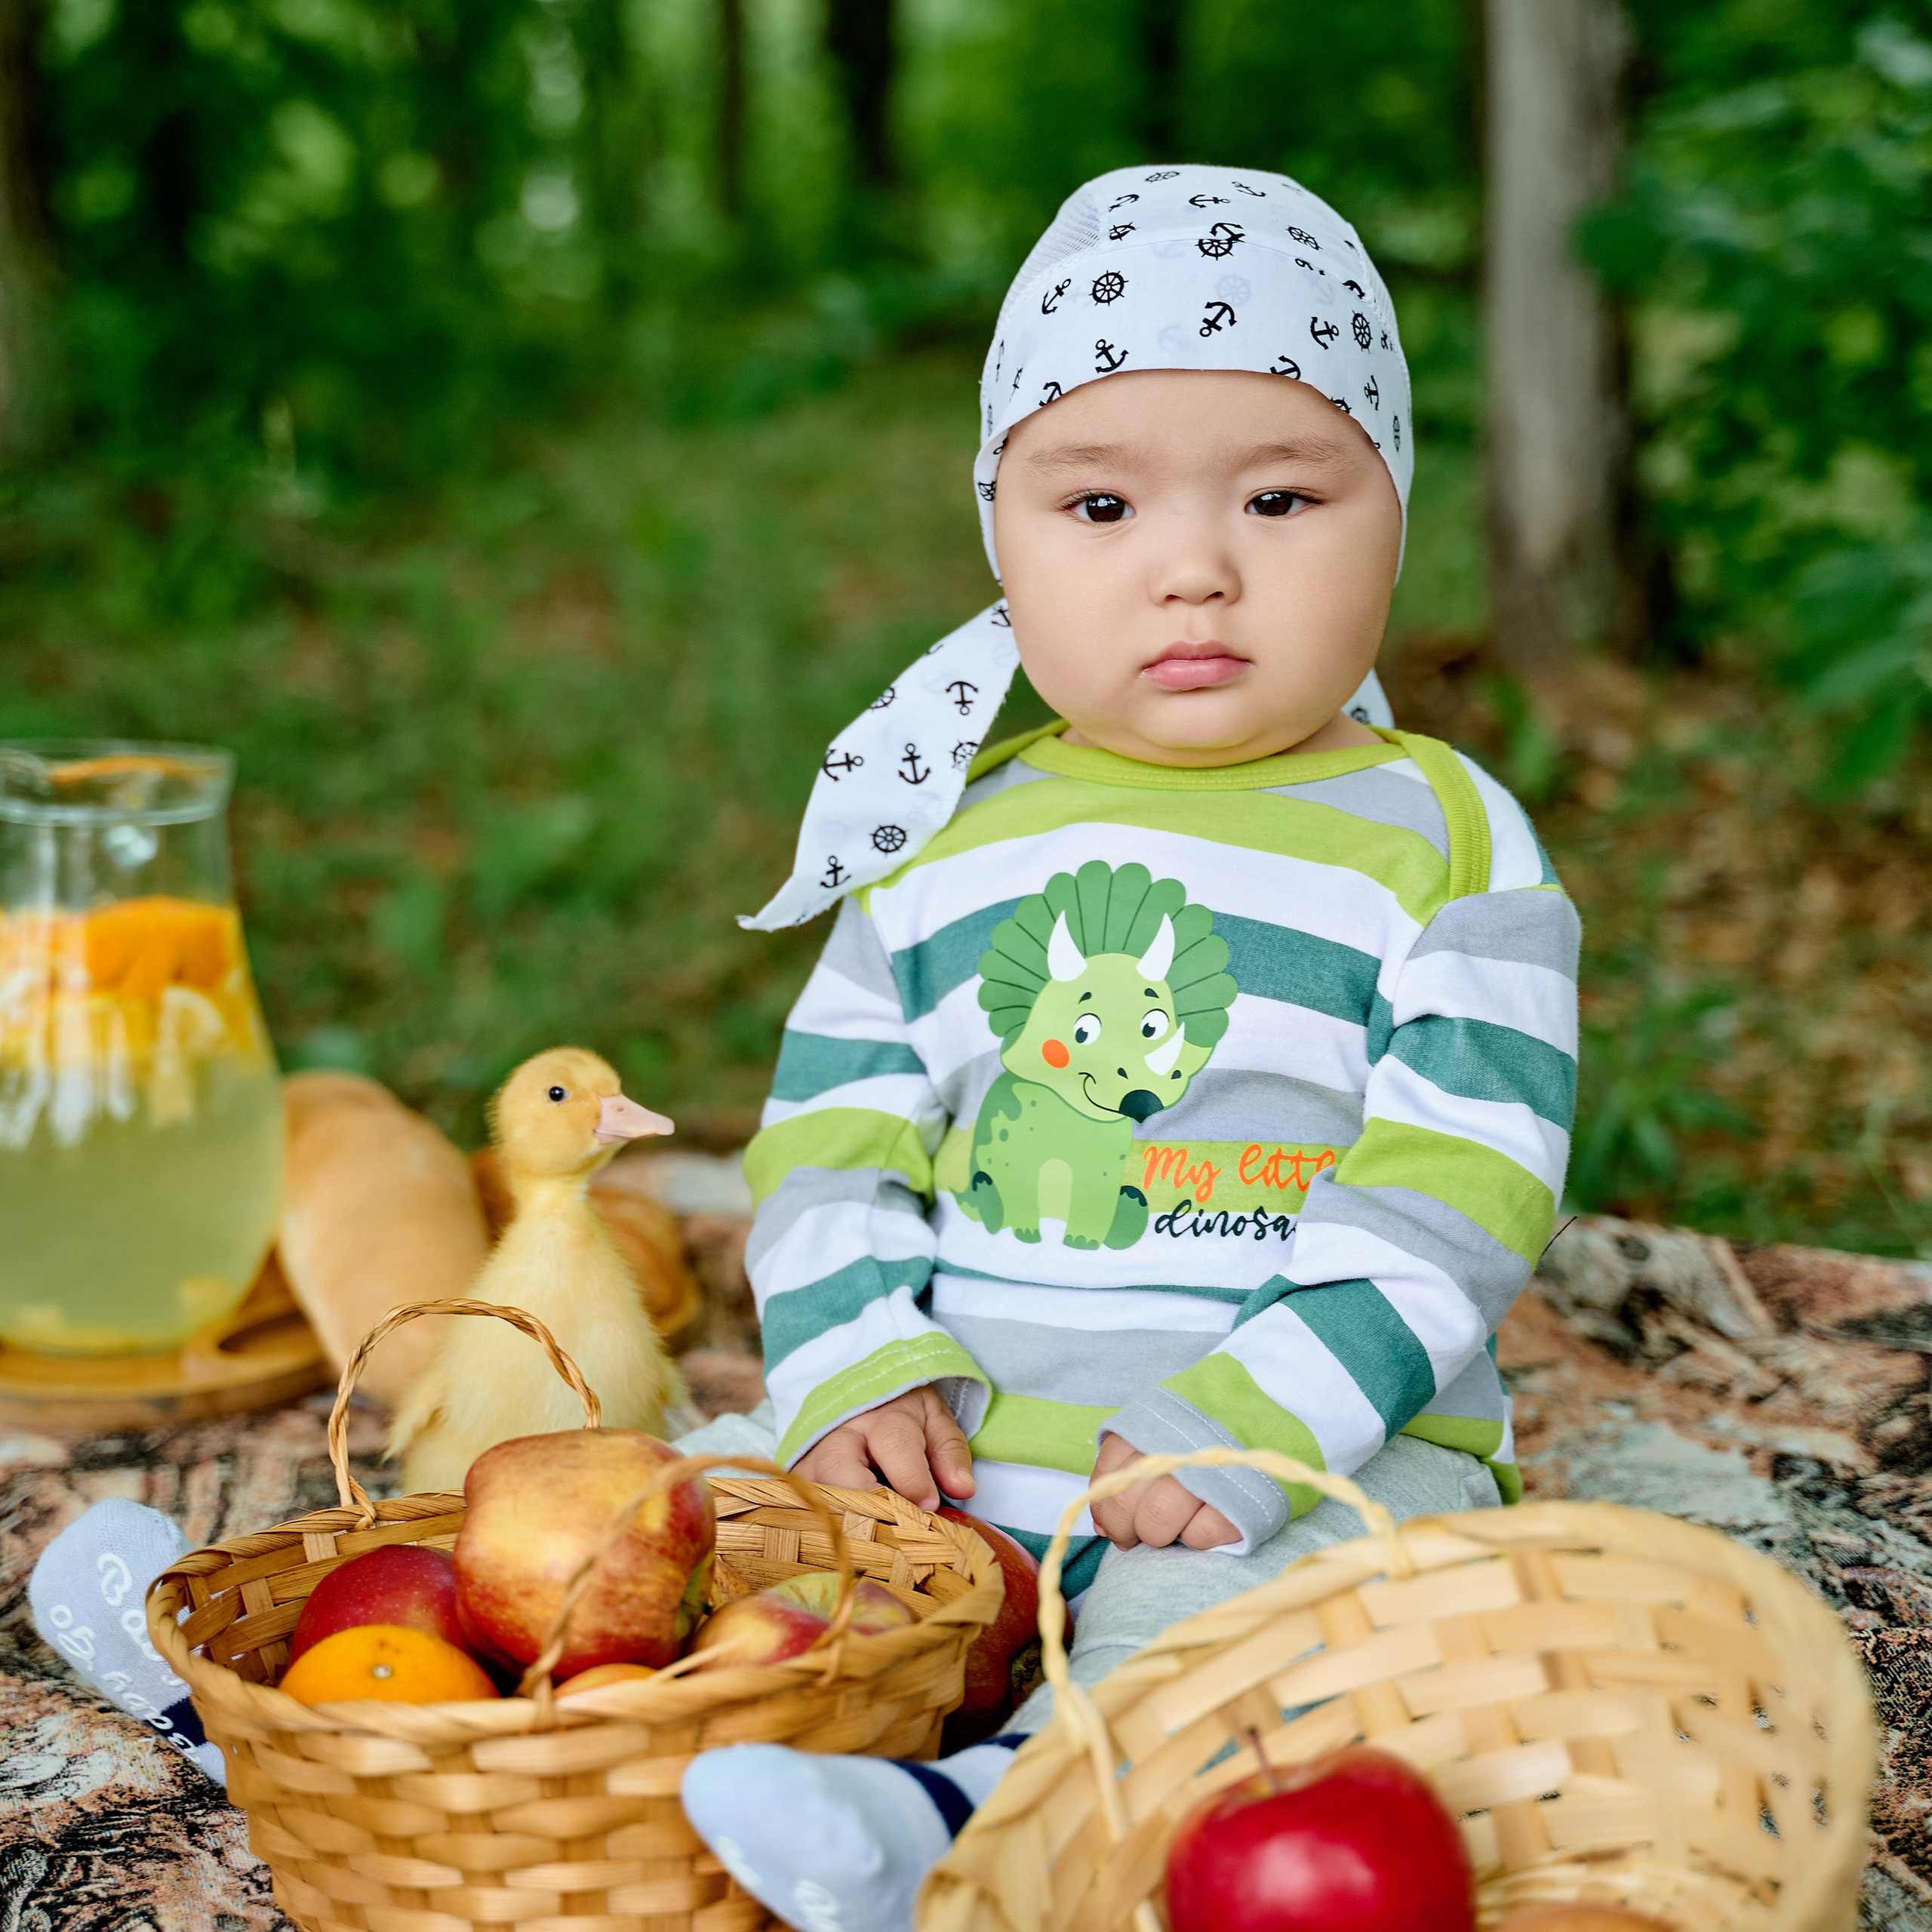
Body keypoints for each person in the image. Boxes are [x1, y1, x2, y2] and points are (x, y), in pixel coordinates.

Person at [677, 163, 1580, 1932]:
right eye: (1096, 502)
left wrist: (1256, 1417)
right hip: (950, 1453)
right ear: (998, 532)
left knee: (1250, 1654)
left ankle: (946, 1828)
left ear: (1391, 510)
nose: (1189, 566)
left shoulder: (1440, 837)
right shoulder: (946, 835)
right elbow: (829, 1134)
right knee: (692, 1557)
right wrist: (859, 1362)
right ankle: (258, 1675)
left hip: (1299, 1449)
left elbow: (1457, 1181)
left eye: (1276, 494)